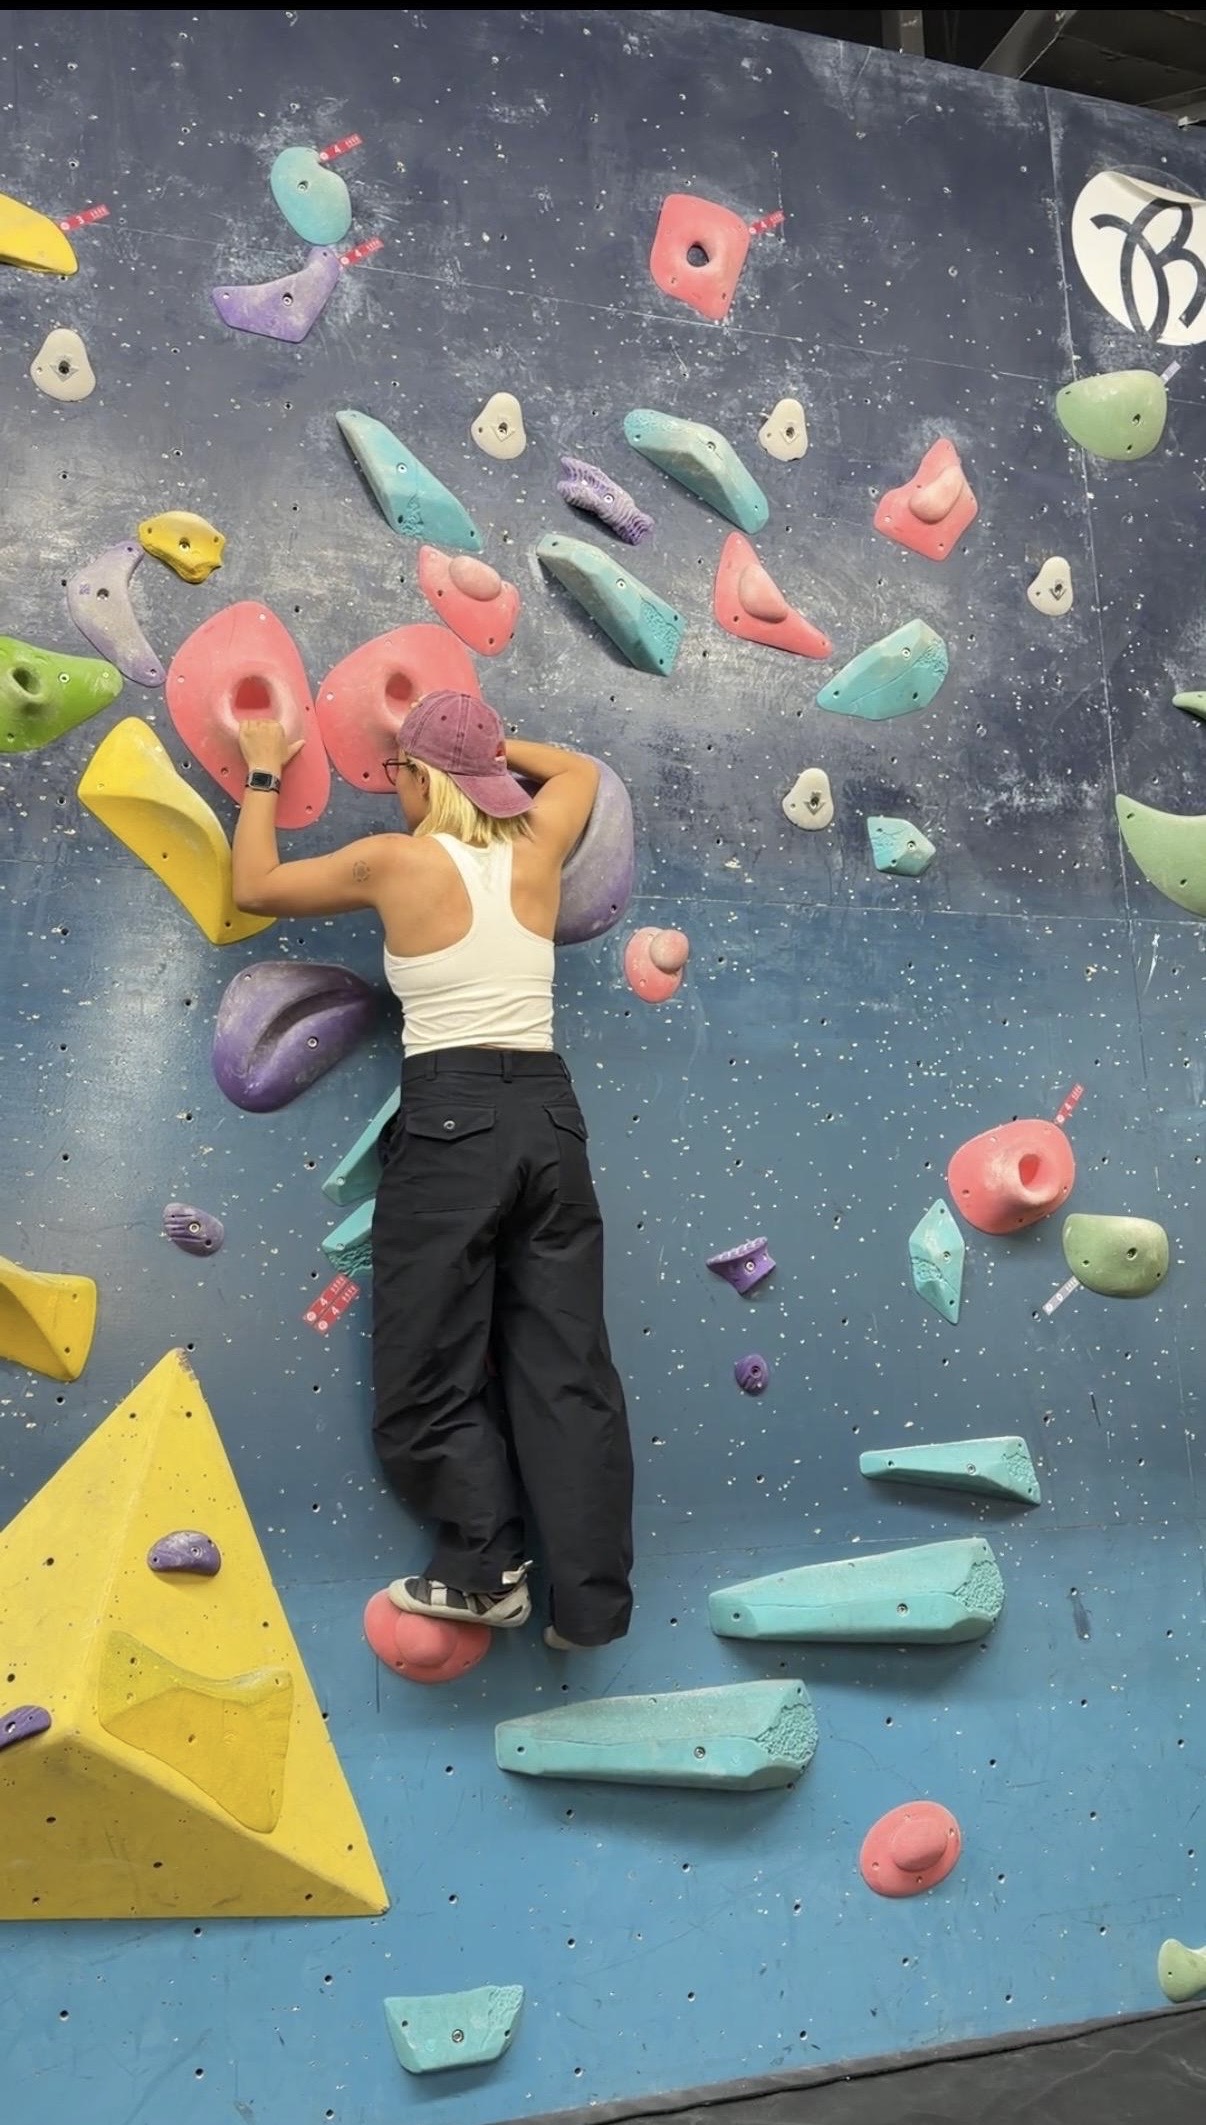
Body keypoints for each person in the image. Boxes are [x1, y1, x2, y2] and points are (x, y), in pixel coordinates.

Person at [232, 689, 634, 1650]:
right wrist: (489, 748)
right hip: (549, 1118)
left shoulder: (395, 860)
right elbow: (580, 770)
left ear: (418, 778)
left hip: (454, 1123)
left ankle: (483, 1571)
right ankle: (591, 1608)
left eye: (398, 773)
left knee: (424, 1365)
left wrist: (263, 766)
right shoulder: (538, 844)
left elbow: (255, 884)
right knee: (568, 1373)